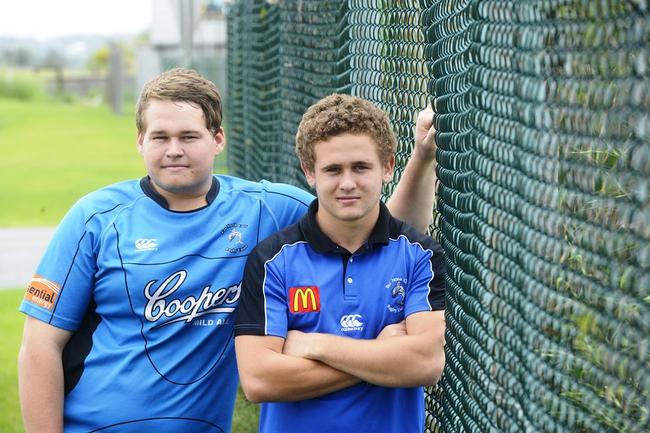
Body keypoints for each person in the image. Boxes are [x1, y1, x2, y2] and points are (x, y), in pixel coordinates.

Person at [17, 69, 438, 433]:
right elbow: (40, 346)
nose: (174, 149)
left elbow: (376, 225)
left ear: (217, 139)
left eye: (188, 136)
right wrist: (379, 360)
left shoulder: (263, 208)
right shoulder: (96, 217)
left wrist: (421, 157)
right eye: (159, 136)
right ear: (140, 142)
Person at [234, 94, 446, 433]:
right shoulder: (273, 260)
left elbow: (425, 362)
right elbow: (260, 380)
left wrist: (317, 345)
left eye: (361, 167)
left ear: (388, 166)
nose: (347, 183)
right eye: (333, 170)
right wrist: (380, 354)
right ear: (309, 172)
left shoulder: (419, 254)